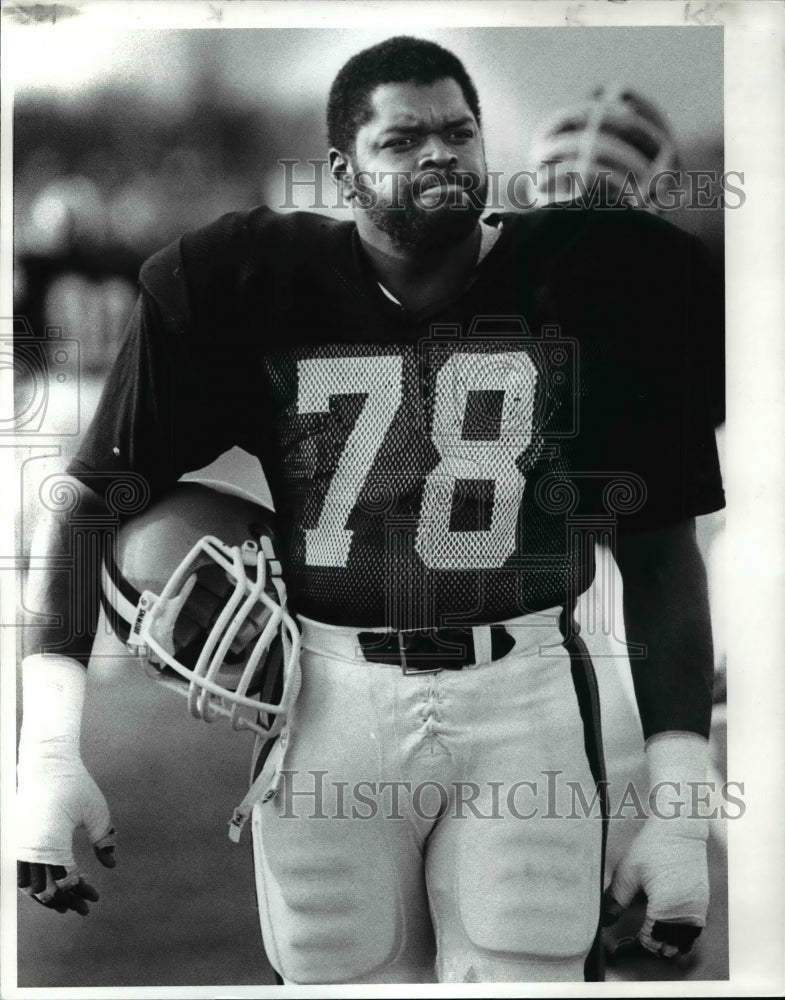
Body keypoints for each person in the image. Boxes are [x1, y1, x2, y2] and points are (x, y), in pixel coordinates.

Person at [17, 36, 724, 984]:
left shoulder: (596, 278)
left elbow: (663, 549)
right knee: (340, 977)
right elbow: (90, 499)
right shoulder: (240, 276)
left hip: (524, 696)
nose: (439, 154)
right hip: (329, 699)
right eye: (403, 140)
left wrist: (677, 798)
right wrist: (50, 754)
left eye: (458, 131)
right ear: (344, 174)